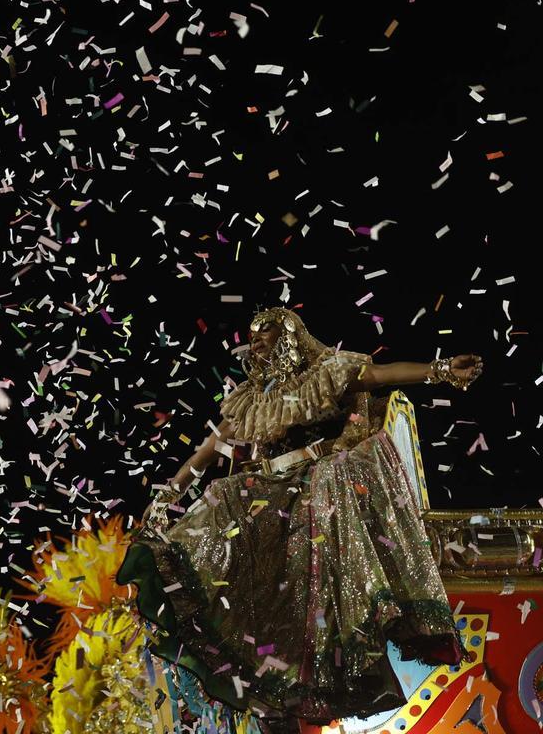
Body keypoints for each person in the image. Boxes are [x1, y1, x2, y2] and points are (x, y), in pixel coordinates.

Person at [115, 306, 484, 734]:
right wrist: (169, 494)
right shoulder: (250, 400)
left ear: (289, 337)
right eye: (251, 337)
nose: (255, 343)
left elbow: (383, 375)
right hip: (267, 503)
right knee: (223, 495)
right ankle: (265, 678)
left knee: (314, 484)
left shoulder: (329, 371)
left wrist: (439, 370)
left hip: (314, 494)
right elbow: (208, 451)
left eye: (265, 334)